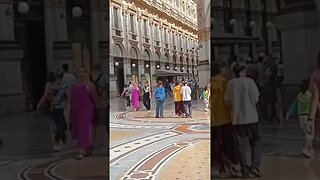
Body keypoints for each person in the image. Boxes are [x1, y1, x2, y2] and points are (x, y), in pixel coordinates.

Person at [225, 64, 261, 178]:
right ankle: (254, 167)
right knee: (255, 143)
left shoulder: (230, 84)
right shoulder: (250, 82)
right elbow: (256, 98)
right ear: (243, 71)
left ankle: (244, 169)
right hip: (252, 118)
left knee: (241, 146)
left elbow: (227, 101)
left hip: (237, 119)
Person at [211, 62, 237, 177]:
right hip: (225, 118)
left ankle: (218, 167)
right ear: (221, 69)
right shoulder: (225, 83)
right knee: (227, 144)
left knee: (216, 145)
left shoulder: (209, 83)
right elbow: (228, 100)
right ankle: (227, 167)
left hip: (213, 119)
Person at [70, 67, 99, 159]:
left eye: (83, 72)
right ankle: (87, 147)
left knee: (85, 129)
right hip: (76, 110)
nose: (81, 74)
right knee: (78, 130)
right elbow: (71, 99)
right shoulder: (73, 85)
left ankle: (82, 150)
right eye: (79, 71)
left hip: (87, 110)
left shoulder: (90, 85)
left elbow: (95, 99)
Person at [286, 78, 314, 158]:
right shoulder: (310, 95)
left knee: (307, 133)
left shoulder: (299, 95)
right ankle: (306, 149)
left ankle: (310, 149)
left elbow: (294, 105)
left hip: (301, 117)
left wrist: (289, 114)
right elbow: (314, 104)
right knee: (310, 134)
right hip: (308, 116)